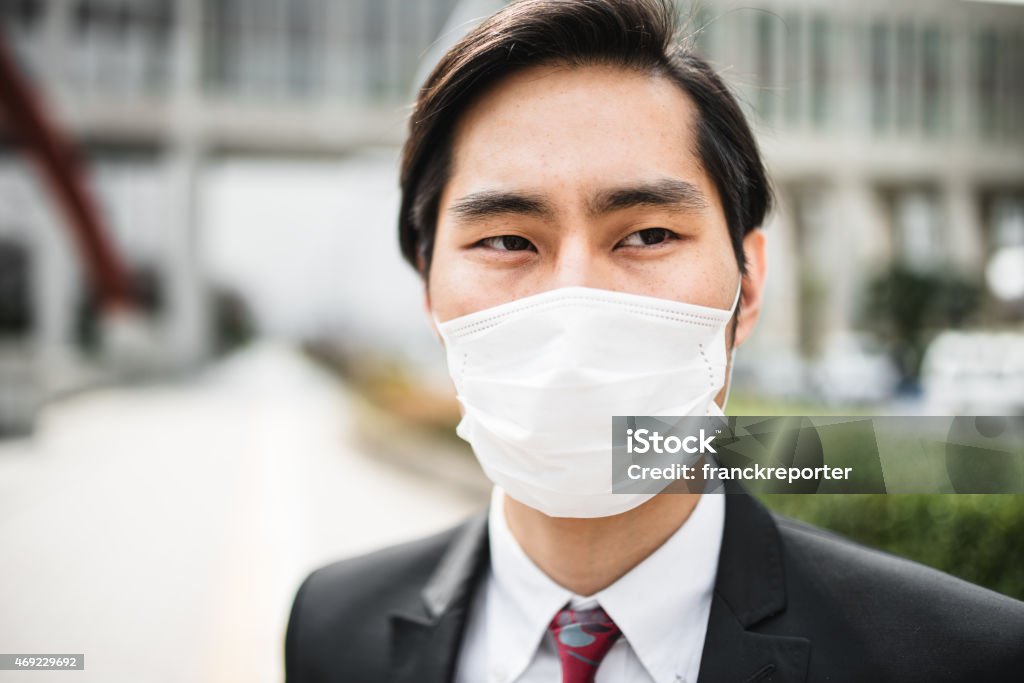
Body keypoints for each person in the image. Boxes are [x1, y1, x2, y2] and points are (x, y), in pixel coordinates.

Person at [284, 1, 1024, 681]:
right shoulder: (333, 627)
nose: (577, 301)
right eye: (508, 239)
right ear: (429, 289)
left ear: (750, 283)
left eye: (647, 234)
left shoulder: (964, 658)